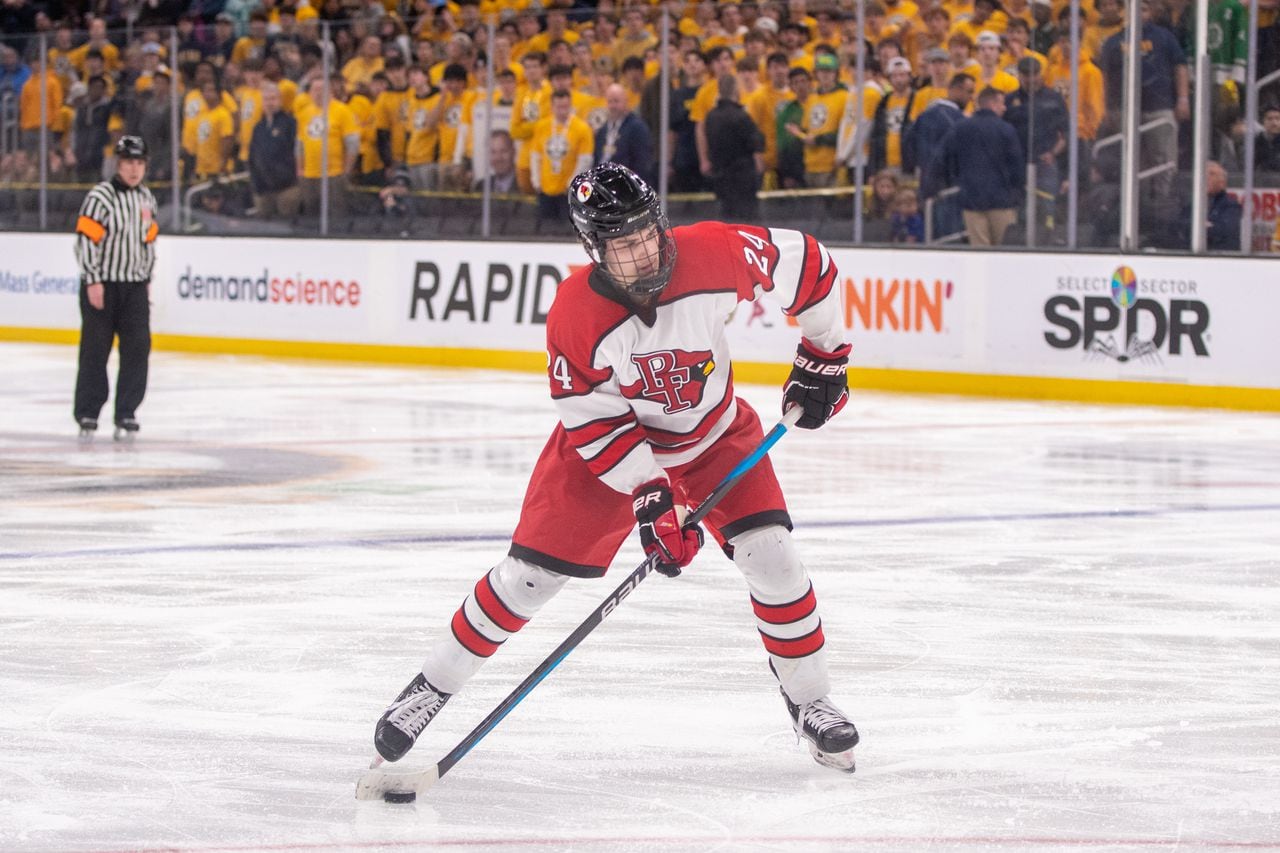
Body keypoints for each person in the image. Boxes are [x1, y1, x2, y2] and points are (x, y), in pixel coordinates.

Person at [372, 163, 860, 774]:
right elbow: (596, 423)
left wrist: (825, 354)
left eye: (646, 234)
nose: (642, 251)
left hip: (713, 435)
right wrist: (652, 497)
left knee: (775, 556)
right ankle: (431, 686)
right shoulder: (576, 313)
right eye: (622, 245)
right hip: (610, 454)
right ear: (594, 250)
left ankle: (812, 700)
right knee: (528, 580)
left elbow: (808, 264)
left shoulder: (715, 253)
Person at [72, 136, 158, 442]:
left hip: (134, 286)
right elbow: (85, 240)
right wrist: (93, 279)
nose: (134, 170)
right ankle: (88, 411)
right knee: (95, 350)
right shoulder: (101, 197)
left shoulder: (147, 199)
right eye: (128, 163)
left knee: (137, 349)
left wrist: (146, 279)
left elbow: (149, 242)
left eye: (139, 163)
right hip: (103, 285)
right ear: (118, 164)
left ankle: (126, 411)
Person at [927, 86, 1025, 247]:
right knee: (1005, 250)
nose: (1004, 108)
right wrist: (1017, 193)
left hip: (971, 200)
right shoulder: (1006, 129)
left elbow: (942, 157)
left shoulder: (961, 128)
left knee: (979, 251)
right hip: (1002, 201)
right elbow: (1016, 166)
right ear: (993, 104)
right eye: (1001, 104)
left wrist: (940, 184)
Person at [704, 73, 764, 221]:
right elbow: (755, 146)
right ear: (736, 89)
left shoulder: (711, 117)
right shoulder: (741, 116)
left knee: (726, 219)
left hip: (721, 177)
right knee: (747, 221)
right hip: (743, 178)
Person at [249, 81, 300, 219]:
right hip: (263, 189)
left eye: (273, 98)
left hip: (286, 187)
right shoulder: (258, 128)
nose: (269, 103)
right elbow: (253, 156)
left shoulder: (290, 123)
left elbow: (297, 152)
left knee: (286, 225)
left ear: (280, 100)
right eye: (266, 99)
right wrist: (256, 183)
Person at [594, 83, 653, 182]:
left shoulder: (637, 128)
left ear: (626, 102)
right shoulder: (603, 130)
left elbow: (642, 163)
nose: (612, 106)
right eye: (610, 102)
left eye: (616, 101)